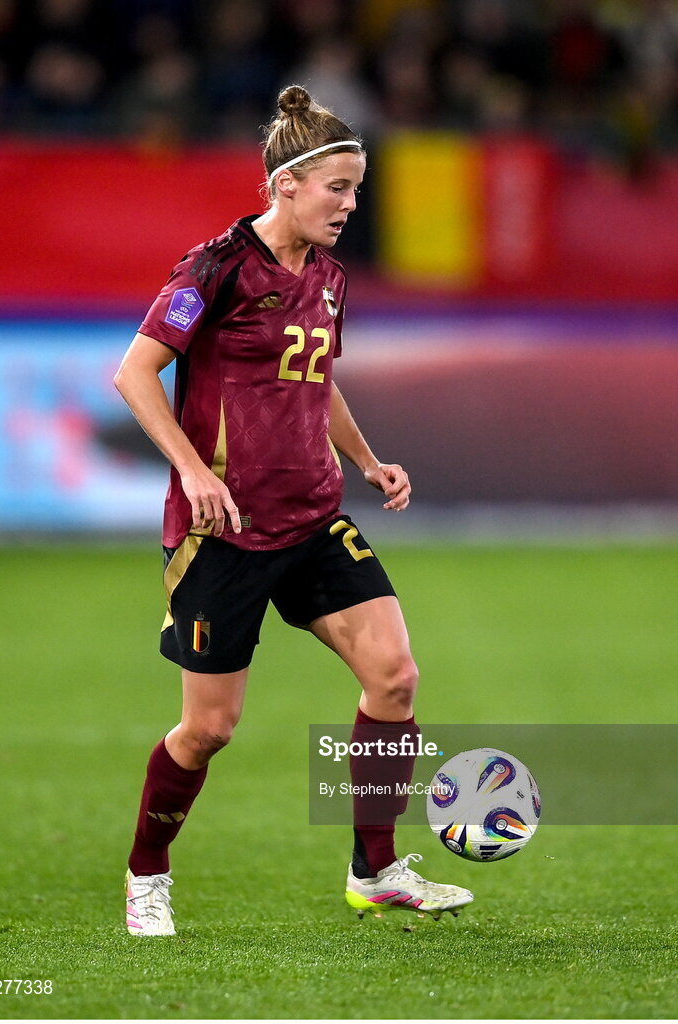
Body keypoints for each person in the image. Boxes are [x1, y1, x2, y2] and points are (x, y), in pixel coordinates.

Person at [113, 84, 473, 936]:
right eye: (338, 189)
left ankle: (375, 869)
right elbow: (133, 374)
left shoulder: (330, 278)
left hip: (312, 518)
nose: (352, 205)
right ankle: (146, 873)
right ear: (285, 184)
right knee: (209, 732)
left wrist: (366, 459)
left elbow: (317, 380)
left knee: (395, 677)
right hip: (224, 533)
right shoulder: (213, 271)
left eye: (357, 189)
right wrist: (195, 471)